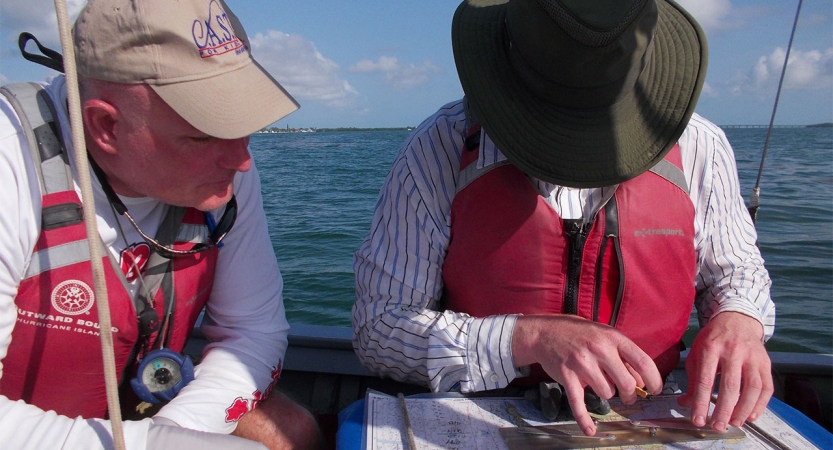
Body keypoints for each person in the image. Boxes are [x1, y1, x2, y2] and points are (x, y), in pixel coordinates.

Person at [352, 0, 776, 438]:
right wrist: (526, 338)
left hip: (654, 416)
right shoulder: (439, 148)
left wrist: (740, 318)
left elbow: (737, 272)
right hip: (479, 417)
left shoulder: (702, 147)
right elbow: (379, 329)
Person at [0, 0, 324, 448]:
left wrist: (175, 431)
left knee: (293, 431)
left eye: (240, 125)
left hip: (139, 415)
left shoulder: (225, 174)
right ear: (104, 126)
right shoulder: (9, 163)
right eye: (201, 135)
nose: (242, 160)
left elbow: (253, 331)